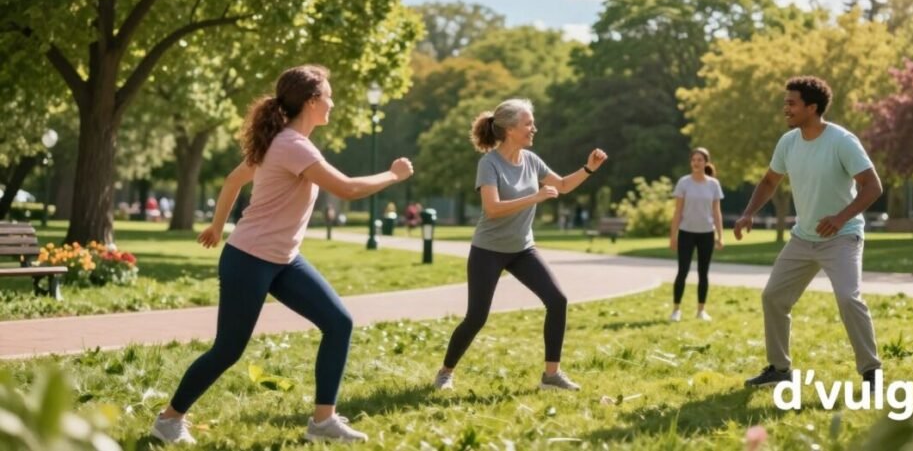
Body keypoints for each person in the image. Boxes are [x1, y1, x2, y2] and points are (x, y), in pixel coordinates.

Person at [151, 65, 414, 445]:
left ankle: (323, 422)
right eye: (328, 95)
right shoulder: (292, 145)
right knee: (228, 350)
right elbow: (348, 189)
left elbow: (232, 180)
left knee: (339, 323)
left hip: (284, 259)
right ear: (311, 102)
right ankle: (169, 419)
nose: (333, 102)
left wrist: (216, 226)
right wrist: (393, 175)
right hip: (250, 259)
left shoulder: (283, 141)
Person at [433, 99, 607, 392]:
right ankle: (445, 372)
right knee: (476, 317)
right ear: (510, 129)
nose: (533, 128)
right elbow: (493, 208)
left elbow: (562, 185)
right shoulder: (489, 163)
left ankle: (551, 376)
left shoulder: (531, 160)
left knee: (557, 300)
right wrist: (535, 197)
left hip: (522, 249)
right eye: (528, 124)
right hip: (488, 249)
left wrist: (588, 169)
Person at [735, 76, 883, 390]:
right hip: (804, 238)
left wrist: (841, 218)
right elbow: (769, 182)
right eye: (786, 102)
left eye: (792, 103)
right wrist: (749, 213)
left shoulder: (842, 141)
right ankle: (779, 368)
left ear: (811, 108)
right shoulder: (788, 142)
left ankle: (871, 372)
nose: (785, 108)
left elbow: (873, 186)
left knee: (848, 298)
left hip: (842, 236)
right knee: (773, 297)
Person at [668, 147, 724, 323]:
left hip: (707, 233)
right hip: (686, 233)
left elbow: (717, 213)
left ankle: (701, 310)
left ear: (706, 162)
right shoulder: (684, 183)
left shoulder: (713, 184)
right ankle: (676, 310)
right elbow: (677, 212)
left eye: (700, 160)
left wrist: (720, 236)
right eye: (694, 160)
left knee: (703, 273)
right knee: (682, 271)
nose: (696, 163)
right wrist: (673, 236)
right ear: (691, 162)